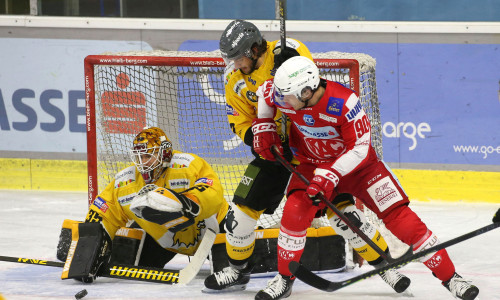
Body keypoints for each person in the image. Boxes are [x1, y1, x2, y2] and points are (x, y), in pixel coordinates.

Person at [204, 19, 410, 297]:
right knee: (240, 211)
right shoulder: (234, 81)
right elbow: (238, 121)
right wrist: (258, 141)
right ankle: (238, 270)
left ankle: (384, 265)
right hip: (274, 153)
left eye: (239, 58)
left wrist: (289, 63)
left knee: (342, 215)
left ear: (254, 50)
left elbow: (307, 79)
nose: (236, 64)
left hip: (312, 150)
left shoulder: (287, 50)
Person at [251, 55, 480, 300]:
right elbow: (265, 92)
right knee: (293, 214)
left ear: (307, 91)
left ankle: (451, 278)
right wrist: (264, 125)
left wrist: (331, 174)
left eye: (288, 96)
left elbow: (360, 148)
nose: (282, 101)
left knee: (404, 221)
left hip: (360, 169)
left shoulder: (344, 102)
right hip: (312, 165)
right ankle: (284, 279)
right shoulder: (285, 93)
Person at [61, 126, 228, 282]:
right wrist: (88, 250)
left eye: (148, 156)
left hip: (212, 230)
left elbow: (212, 190)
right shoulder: (125, 182)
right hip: (165, 239)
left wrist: (189, 202)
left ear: (165, 153)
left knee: (235, 267)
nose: (143, 162)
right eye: (139, 156)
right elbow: (104, 211)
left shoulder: (186, 165)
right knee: (134, 267)